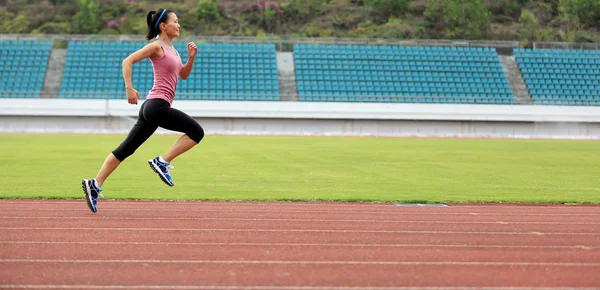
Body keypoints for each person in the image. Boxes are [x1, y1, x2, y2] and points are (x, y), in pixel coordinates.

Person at [81, 8, 205, 213]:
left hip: (152, 108)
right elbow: (127, 61)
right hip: (157, 106)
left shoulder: (173, 50)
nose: (179, 25)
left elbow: (182, 75)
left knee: (126, 149)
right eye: (175, 21)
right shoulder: (156, 46)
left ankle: (94, 184)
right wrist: (129, 88)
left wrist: (191, 58)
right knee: (197, 132)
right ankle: (162, 161)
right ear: (163, 26)